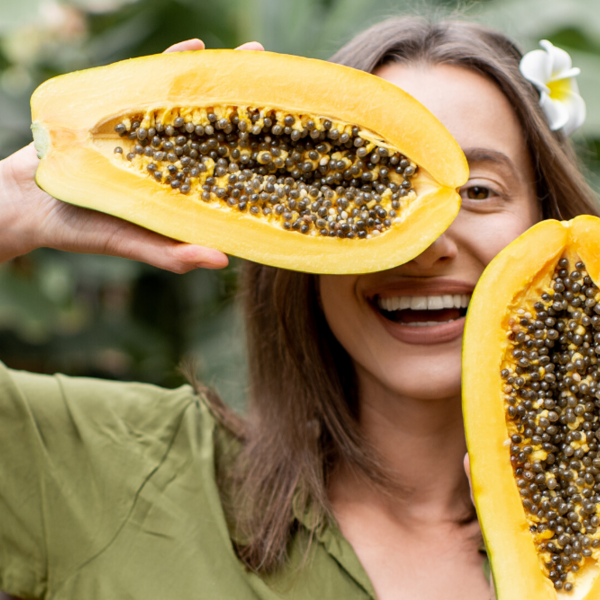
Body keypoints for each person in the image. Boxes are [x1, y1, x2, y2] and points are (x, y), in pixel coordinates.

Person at [0, 16, 598, 600]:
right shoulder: (118, 467)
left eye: (479, 192)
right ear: (292, 239)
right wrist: (12, 209)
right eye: (363, 186)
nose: (429, 248)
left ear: (548, 223)